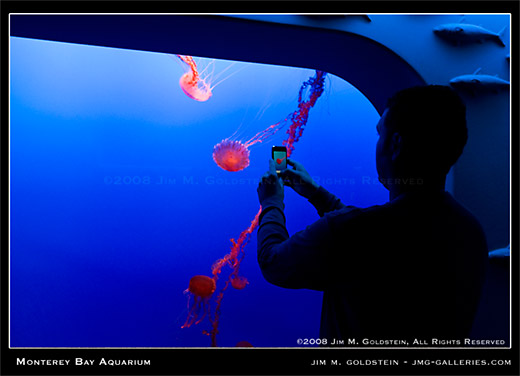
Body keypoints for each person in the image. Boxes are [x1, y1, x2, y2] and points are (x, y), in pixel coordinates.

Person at [256, 85, 488, 343]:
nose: (377, 143)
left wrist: (272, 202)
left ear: (396, 144)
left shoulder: (353, 233)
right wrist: (315, 193)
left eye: (380, 133)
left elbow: (272, 263)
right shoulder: (470, 231)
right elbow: (379, 235)